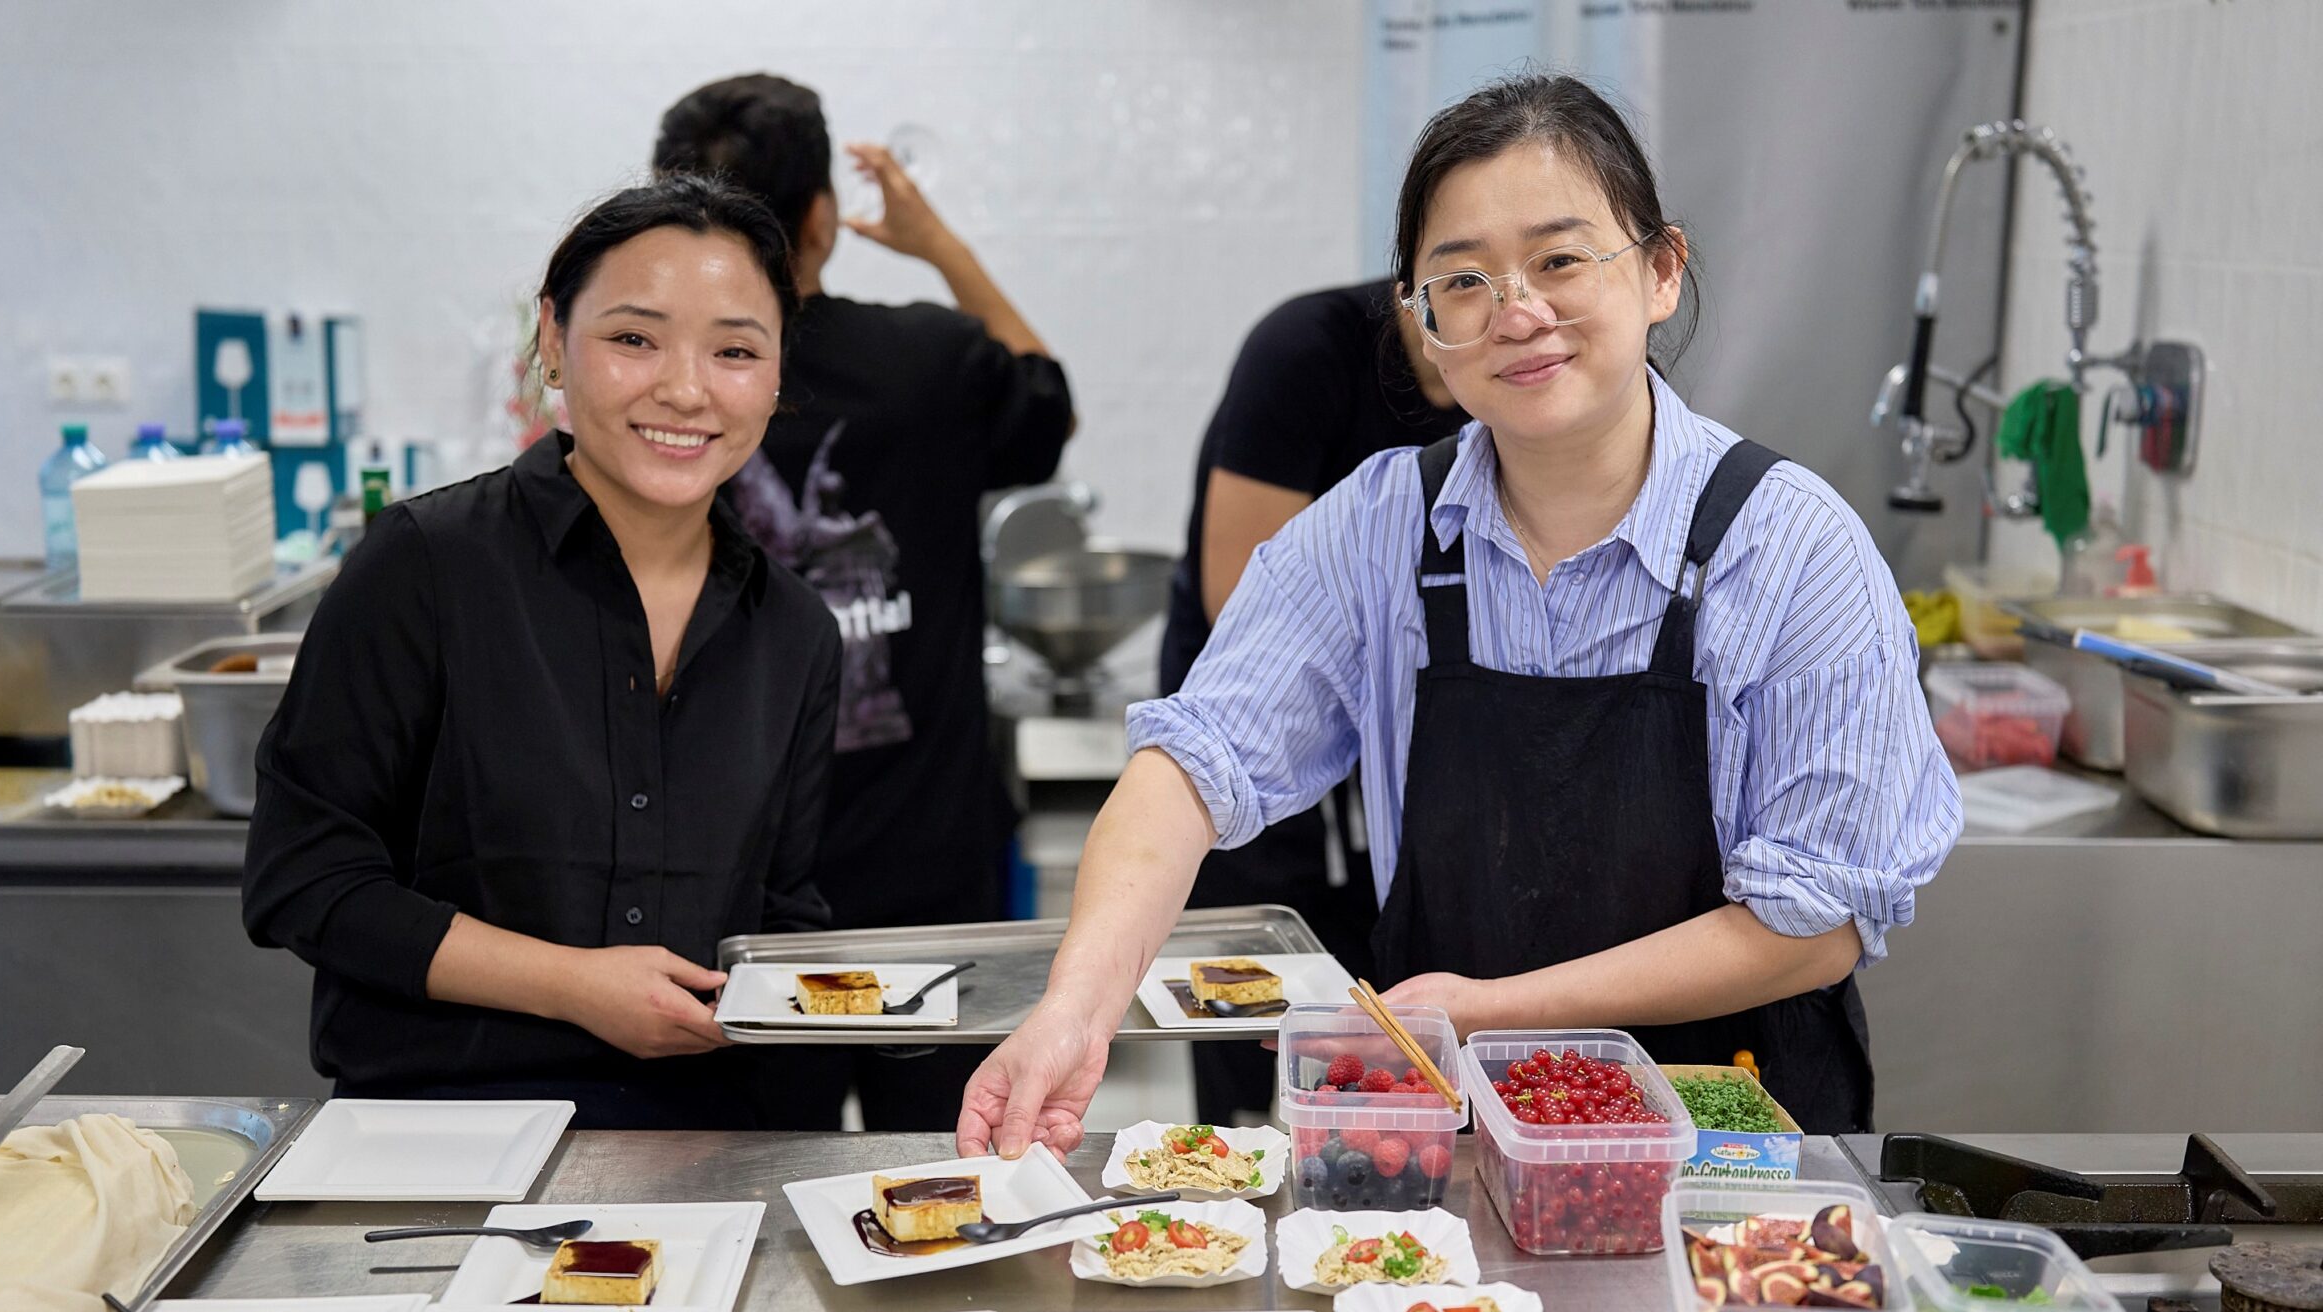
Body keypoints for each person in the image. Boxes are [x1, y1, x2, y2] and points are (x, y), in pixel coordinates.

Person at [956, 73, 1962, 1156]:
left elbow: (1814, 925)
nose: (1516, 311)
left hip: (1734, 1147)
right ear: (1423, 321)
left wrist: (1489, 1007)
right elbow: (1188, 771)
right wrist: (1074, 1005)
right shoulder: (1383, 526)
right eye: (1463, 280)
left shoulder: (1796, 548)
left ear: (1661, 271)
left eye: (1561, 258)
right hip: (1450, 1136)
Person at [242, 176, 841, 1130]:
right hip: (439, 1138)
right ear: (555, 341)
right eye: (634, 338)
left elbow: (783, 914)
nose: (685, 389)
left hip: (712, 1147)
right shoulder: (427, 566)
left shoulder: (797, 630)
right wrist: (574, 985)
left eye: (734, 350)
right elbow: (304, 880)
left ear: (774, 379)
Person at [654, 74, 1075, 1131]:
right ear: (821, 219)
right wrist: (940, 246)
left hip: (733, 899)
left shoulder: (659, 398)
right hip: (926, 885)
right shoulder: (927, 359)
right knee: (947, 1179)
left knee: (745, 1203)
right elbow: (1045, 397)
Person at [1159, 282, 1469, 1124]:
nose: (1505, 311)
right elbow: (1238, 601)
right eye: (1462, 275)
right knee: (1238, 1011)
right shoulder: (1306, 352)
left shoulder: (1511, 391)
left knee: (1382, 1024)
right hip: (1269, 730)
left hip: (1415, 750)